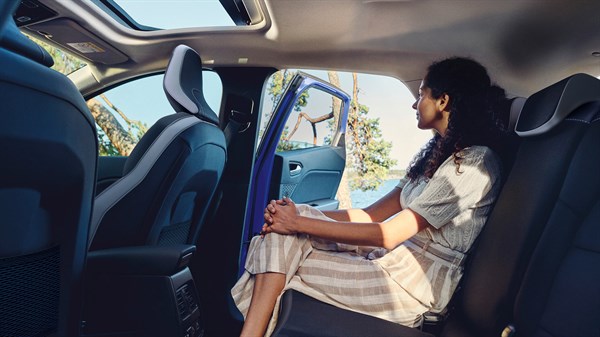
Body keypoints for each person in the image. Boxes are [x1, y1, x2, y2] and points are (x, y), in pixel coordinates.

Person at [231, 57, 510, 337]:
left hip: (412, 287)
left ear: (443, 100)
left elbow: (387, 233)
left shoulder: (473, 164)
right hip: (389, 262)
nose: (415, 104)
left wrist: (297, 223)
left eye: (422, 94)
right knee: (281, 240)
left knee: (279, 256)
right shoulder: (436, 156)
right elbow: (372, 214)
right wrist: (298, 214)